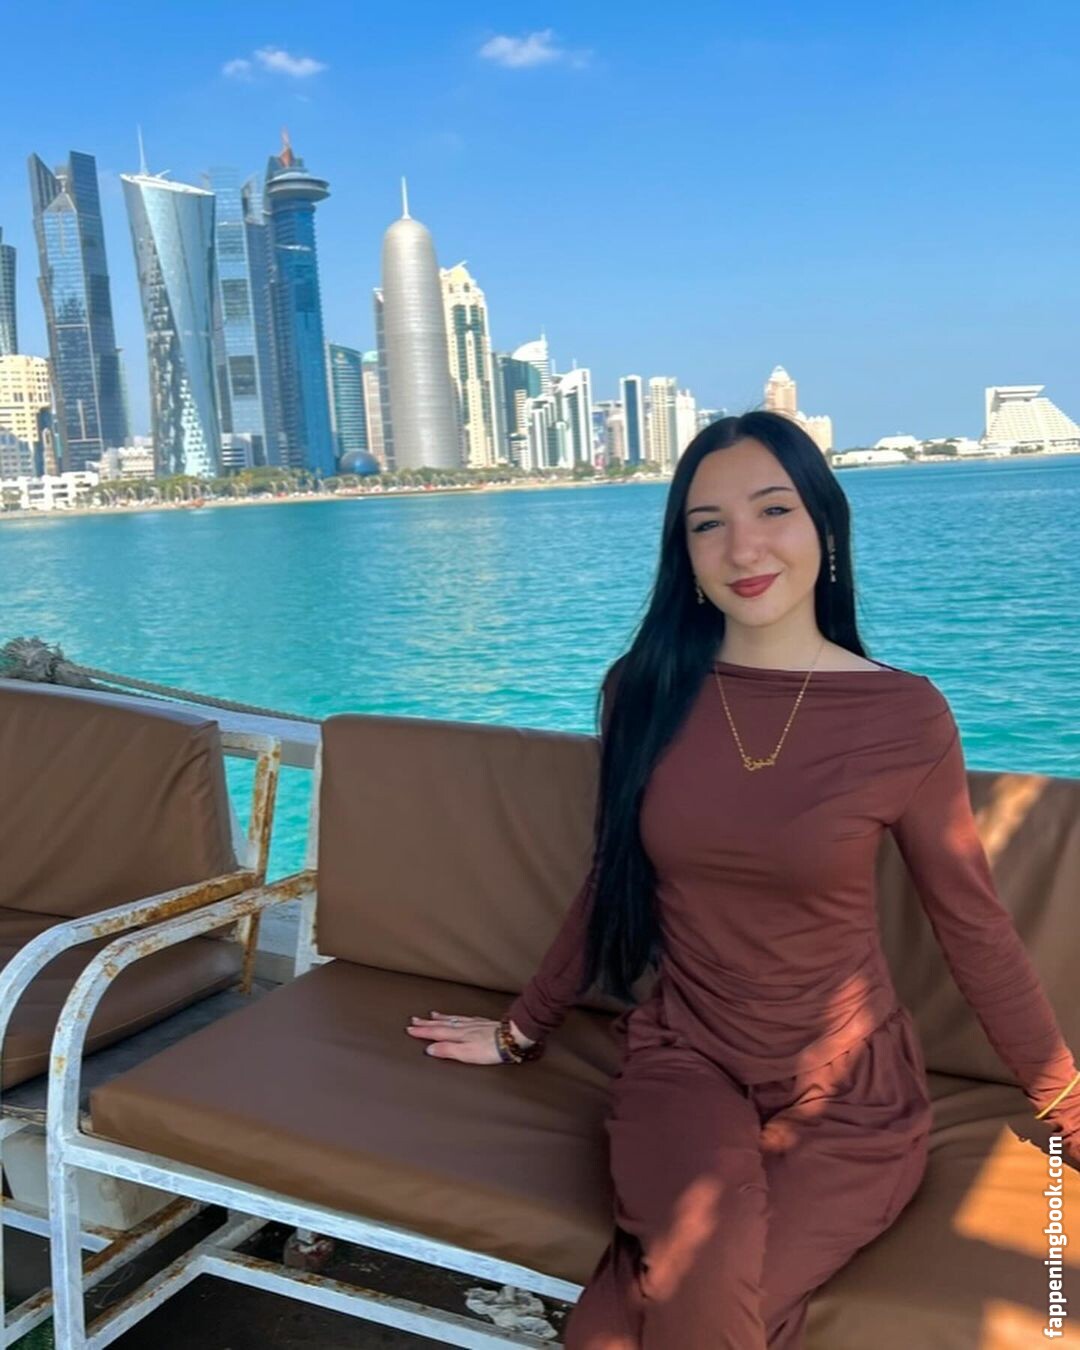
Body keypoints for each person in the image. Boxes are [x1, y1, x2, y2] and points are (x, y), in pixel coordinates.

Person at [404, 410, 1080, 1348]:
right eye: (707, 523)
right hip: (685, 1065)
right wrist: (523, 1031)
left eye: (773, 509)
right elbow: (611, 881)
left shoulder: (903, 714)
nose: (743, 547)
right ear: (683, 552)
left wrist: (1067, 1106)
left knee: (614, 1329)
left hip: (850, 1094)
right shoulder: (642, 689)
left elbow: (974, 925)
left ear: (825, 526)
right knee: (703, 1272)